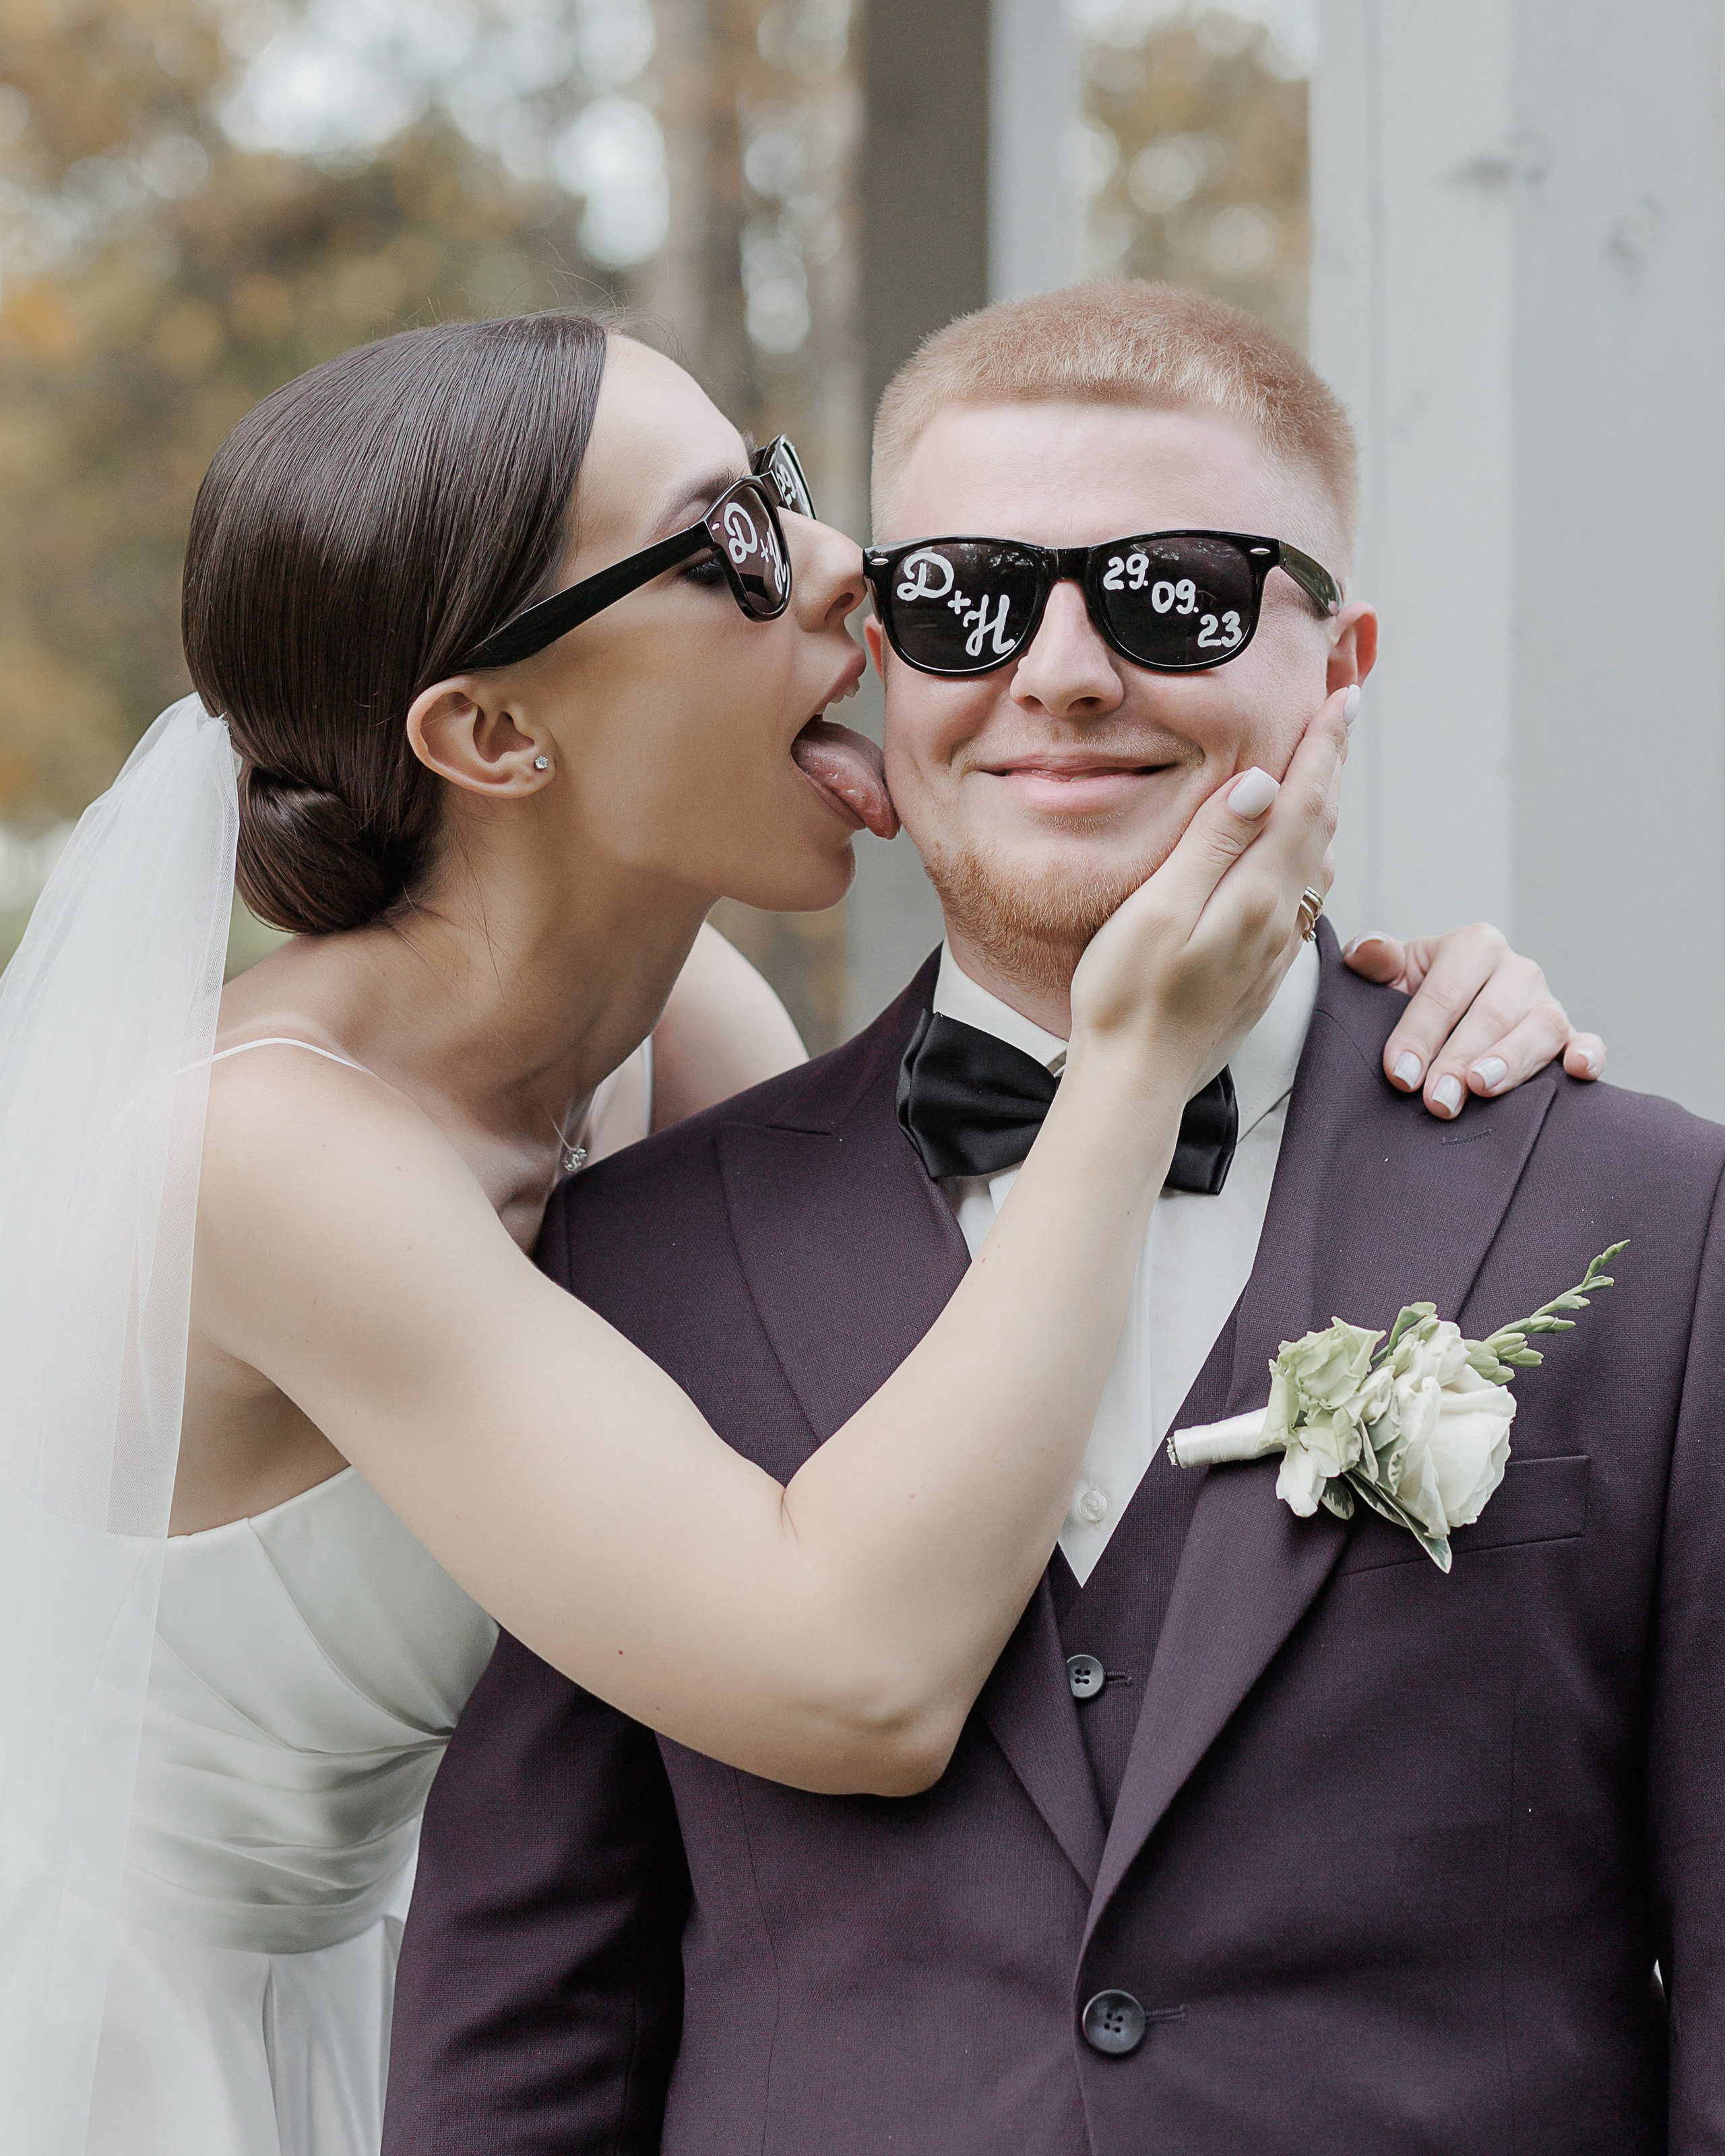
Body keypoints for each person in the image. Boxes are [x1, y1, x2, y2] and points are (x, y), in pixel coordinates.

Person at [0, 309, 1588, 2156]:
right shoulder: (267, 1152)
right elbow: (856, 1677)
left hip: (397, 1981)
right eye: (733, 545)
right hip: (134, 2042)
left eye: (787, 488)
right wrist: (1139, 1067)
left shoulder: (673, 1029)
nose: (849, 568)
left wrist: (1370, 1037)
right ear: (495, 731)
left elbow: (953, 1377)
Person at [385, 280, 1718, 2156]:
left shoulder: (1654, 1222)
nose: (1068, 671)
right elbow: (528, 2024)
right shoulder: (635, 1251)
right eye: (971, 599)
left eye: (1175, 592)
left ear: (1340, 668)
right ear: (881, 658)